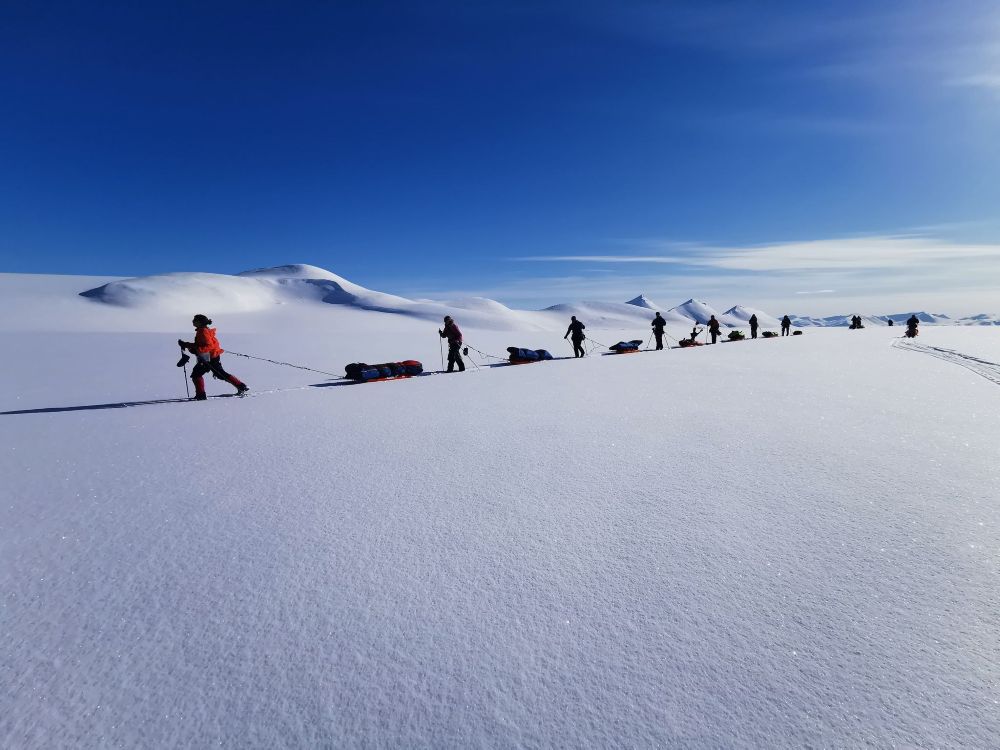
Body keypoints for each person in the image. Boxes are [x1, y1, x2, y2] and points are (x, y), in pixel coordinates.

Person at [178, 314, 248, 401]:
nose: (193, 321)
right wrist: (187, 344)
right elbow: (200, 345)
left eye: (195, 320)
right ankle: (241, 386)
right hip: (212, 356)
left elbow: (209, 346)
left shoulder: (203, 331)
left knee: (197, 374)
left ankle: (201, 395)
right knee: (220, 374)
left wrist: (195, 349)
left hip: (209, 357)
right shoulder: (202, 330)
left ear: (200, 322)